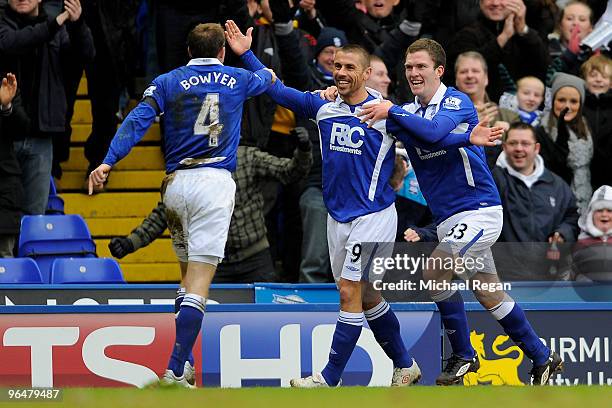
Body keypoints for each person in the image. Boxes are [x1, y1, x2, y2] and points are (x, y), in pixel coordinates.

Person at [225, 20, 502, 388]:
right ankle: (405, 365)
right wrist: (247, 56)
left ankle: (329, 378)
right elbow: (279, 91)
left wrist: (469, 133)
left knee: (348, 292)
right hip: (337, 216)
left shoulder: (385, 113)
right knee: (368, 296)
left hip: (373, 216)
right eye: (336, 66)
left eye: (349, 67)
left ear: (367, 73)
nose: (340, 73)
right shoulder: (322, 106)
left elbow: (431, 136)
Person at [353, 38, 563, 385]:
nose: (413, 73)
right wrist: (334, 97)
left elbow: (434, 133)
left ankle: (464, 354)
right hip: (449, 219)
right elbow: (420, 135)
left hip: (479, 210)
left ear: (439, 70)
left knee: (435, 269)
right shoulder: (409, 112)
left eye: (420, 66)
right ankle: (542, 357)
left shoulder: (457, 101)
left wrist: (392, 110)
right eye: (408, 67)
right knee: (487, 291)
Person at [88, 23, 276, 388]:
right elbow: (268, 79)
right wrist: (247, 51)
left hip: (175, 185)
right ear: (221, 52)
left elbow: (137, 120)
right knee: (200, 284)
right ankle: (174, 369)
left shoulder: (167, 81)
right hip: (213, 183)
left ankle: (186, 365)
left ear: (188, 52)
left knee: (186, 279)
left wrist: (108, 161)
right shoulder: (237, 78)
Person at [108, 133, 313, 283]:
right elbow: (165, 213)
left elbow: (290, 172)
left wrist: (303, 151)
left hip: (255, 259)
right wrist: (130, 243)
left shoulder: (248, 157)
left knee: (265, 325)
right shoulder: (189, 171)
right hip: (211, 262)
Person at [0, 0, 94, 214]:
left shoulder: (59, 28)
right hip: (4, 135)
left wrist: (78, 24)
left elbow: (85, 55)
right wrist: (56, 23)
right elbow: (12, 43)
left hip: (41, 136)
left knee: (35, 216)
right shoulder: (4, 23)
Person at [493, 122, 579, 280]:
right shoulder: (493, 181)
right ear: (504, 147)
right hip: (503, 278)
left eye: (525, 143)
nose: (519, 148)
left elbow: (572, 217)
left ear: (536, 148)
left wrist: (562, 233)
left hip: (548, 278)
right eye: (513, 143)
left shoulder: (557, 185)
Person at [449, 0, 549, 102]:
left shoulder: (526, 34)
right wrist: (503, 38)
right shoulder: (466, 35)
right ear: (480, 2)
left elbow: (545, 66)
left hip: (521, 109)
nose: (496, 3)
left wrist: (523, 30)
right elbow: (470, 69)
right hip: (479, 107)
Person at [537, 72, 593, 212]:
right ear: (553, 101)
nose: (567, 106)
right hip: (551, 203)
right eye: (561, 100)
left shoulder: (588, 129)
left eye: (573, 101)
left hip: (586, 202)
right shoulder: (540, 132)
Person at [0, 73, 26, 257]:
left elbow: (22, 128)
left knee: (6, 268)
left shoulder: (5, 85)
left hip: (3, 197)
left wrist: (6, 106)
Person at [580, 55, 612, 190]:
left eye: (604, 77)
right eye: (593, 75)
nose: (598, 80)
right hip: (584, 172)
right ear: (585, 79)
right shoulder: (578, 106)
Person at [572, 185, 612, 281]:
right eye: (599, 210)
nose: (604, 214)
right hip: (590, 294)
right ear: (590, 215)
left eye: (609, 210)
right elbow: (573, 273)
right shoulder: (581, 243)